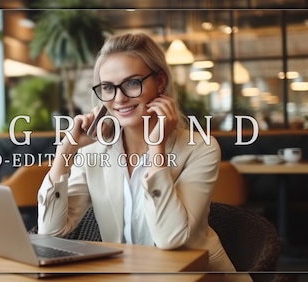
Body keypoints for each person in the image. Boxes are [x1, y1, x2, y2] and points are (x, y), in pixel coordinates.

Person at [37, 33, 251, 282]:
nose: (119, 98)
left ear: (160, 81)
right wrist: (66, 151)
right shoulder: (93, 152)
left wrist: (156, 149)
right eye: (108, 87)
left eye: (132, 83)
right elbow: (50, 232)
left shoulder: (200, 148)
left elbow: (170, 239)